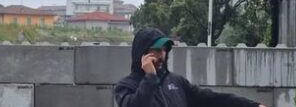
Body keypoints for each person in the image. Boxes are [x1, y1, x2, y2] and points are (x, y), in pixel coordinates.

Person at [114, 27, 267, 107]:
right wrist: (150, 78)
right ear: (143, 52)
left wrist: (252, 105)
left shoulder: (176, 82)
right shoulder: (126, 86)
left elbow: (212, 99)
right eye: (156, 50)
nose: (162, 55)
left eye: (164, 50)